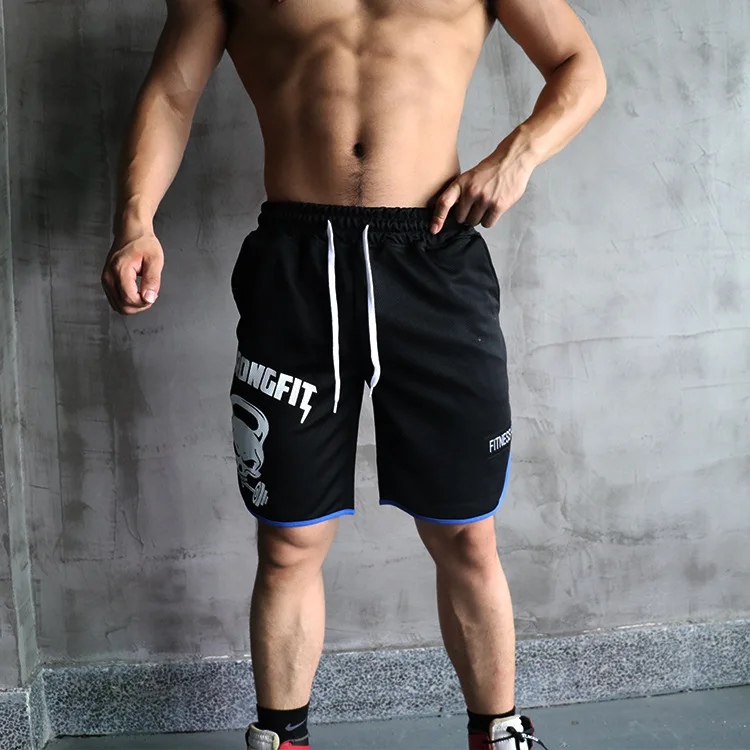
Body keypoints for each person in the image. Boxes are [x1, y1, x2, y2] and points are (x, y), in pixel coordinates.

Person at [101, 1, 606, 748]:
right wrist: (135, 222)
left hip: (434, 259)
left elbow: (579, 66)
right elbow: (173, 91)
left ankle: (497, 733)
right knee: (288, 541)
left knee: (466, 534)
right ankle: (283, 738)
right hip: (296, 266)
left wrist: (519, 154)